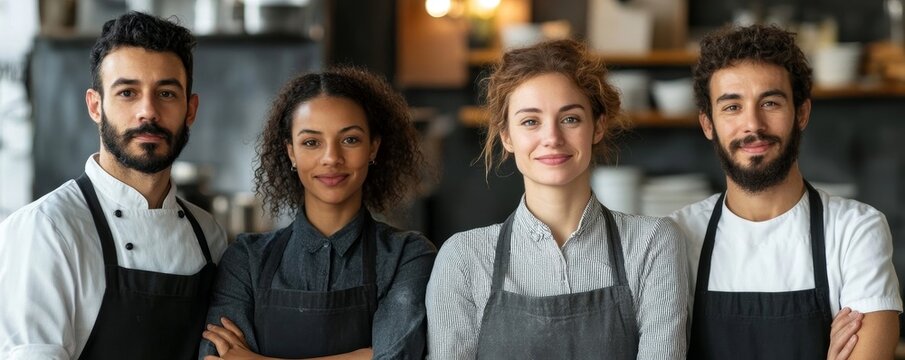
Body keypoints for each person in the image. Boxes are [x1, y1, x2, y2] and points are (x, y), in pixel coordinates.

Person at [426, 39, 688, 359]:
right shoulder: (464, 259)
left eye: (570, 118)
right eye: (530, 121)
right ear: (507, 135)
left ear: (598, 126)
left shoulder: (653, 243)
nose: (551, 138)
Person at [0, 11, 228, 359]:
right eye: (127, 92)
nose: (147, 111)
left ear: (190, 109)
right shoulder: (48, 229)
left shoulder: (208, 235)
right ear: (95, 105)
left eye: (166, 93)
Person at [669, 24, 902, 360]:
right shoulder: (676, 237)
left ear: (802, 112)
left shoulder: (855, 231)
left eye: (771, 103)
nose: (753, 124)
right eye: (732, 107)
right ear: (708, 124)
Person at [198, 67, 437, 360]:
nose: (331, 158)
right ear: (291, 153)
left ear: (373, 147)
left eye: (350, 139)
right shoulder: (246, 259)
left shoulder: (407, 255)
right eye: (311, 142)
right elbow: (216, 357)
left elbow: (397, 357)